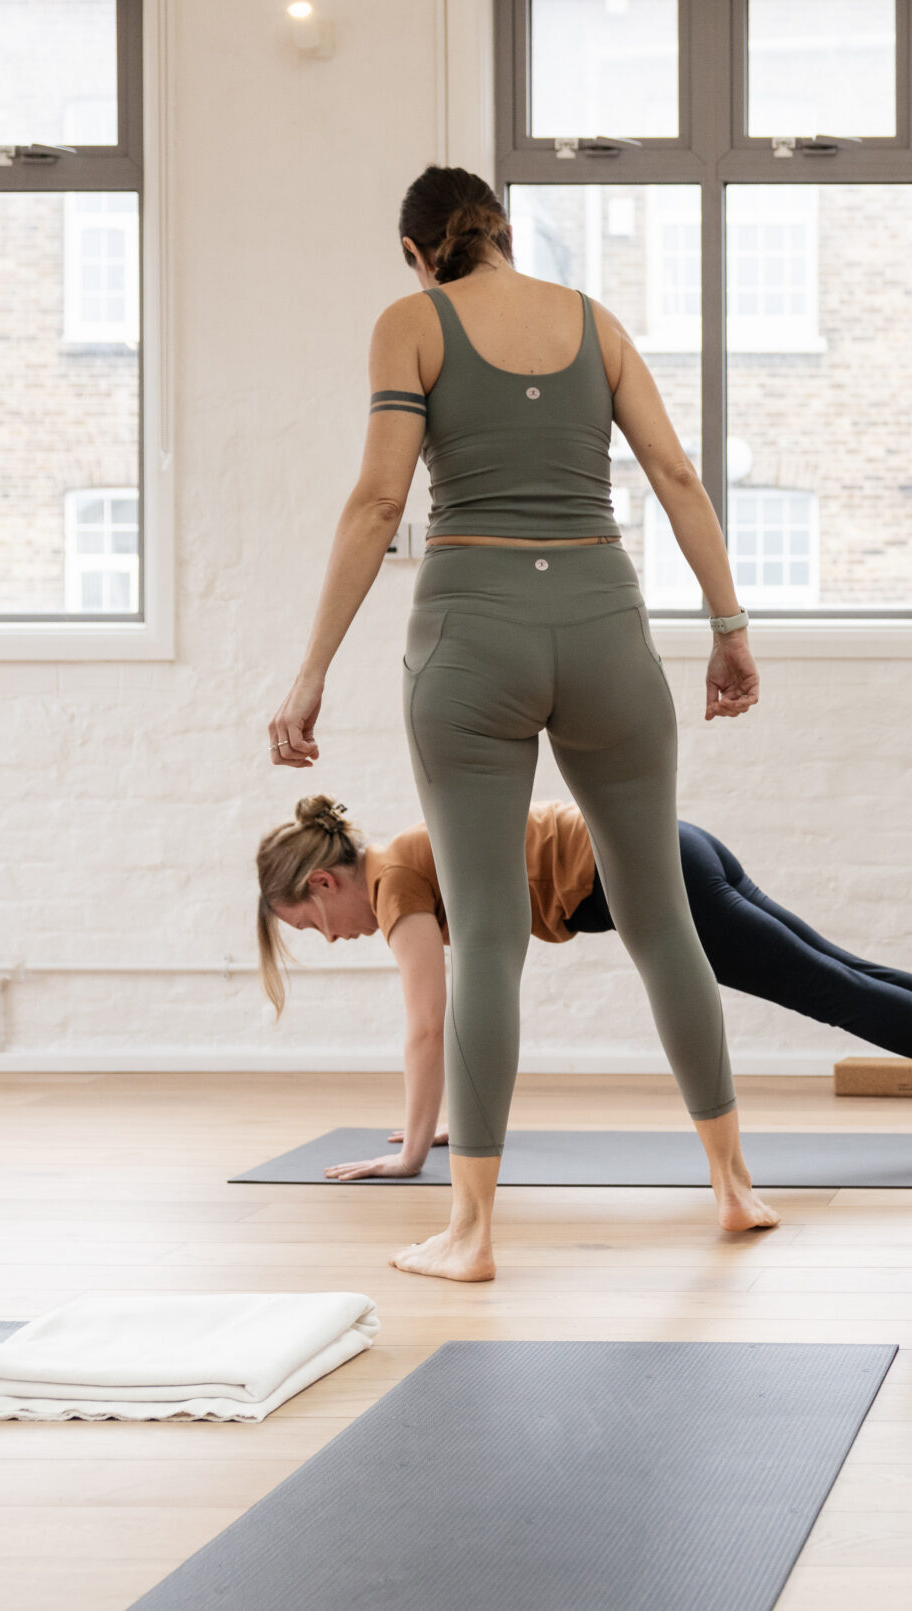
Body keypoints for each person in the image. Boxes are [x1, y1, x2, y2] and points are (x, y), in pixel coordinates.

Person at [265, 165, 764, 1283]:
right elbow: (675, 473)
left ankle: (472, 1233)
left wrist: (310, 674)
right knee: (661, 922)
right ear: (496, 232)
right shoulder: (596, 323)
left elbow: (380, 502)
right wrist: (729, 626)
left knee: (486, 938)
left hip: (470, 637)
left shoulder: (412, 325)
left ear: (416, 250)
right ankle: (734, 1186)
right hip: (604, 626)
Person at [254, 798, 912, 1170]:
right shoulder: (405, 858)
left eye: (310, 925)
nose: (328, 940)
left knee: (832, 988)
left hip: (643, 872)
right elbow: (453, 1018)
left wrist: (408, 1151)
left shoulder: (393, 879)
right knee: (845, 971)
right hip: (671, 849)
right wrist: (432, 1123)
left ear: (327, 884)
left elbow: (428, 1024)